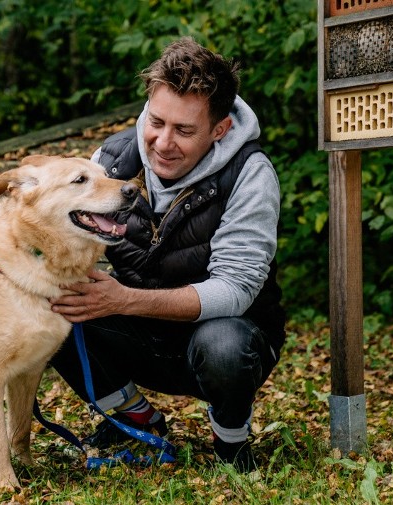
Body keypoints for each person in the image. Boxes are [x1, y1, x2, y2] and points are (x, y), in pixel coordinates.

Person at [49, 36, 285, 472]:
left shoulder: (250, 176)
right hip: (141, 333)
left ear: (219, 130)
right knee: (51, 305)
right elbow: (60, 233)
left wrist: (123, 299)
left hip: (227, 339)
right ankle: (136, 421)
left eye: (184, 130)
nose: (162, 142)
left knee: (225, 344)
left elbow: (234, 291)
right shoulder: (111, 160)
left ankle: (231, 442)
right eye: (156, 122)